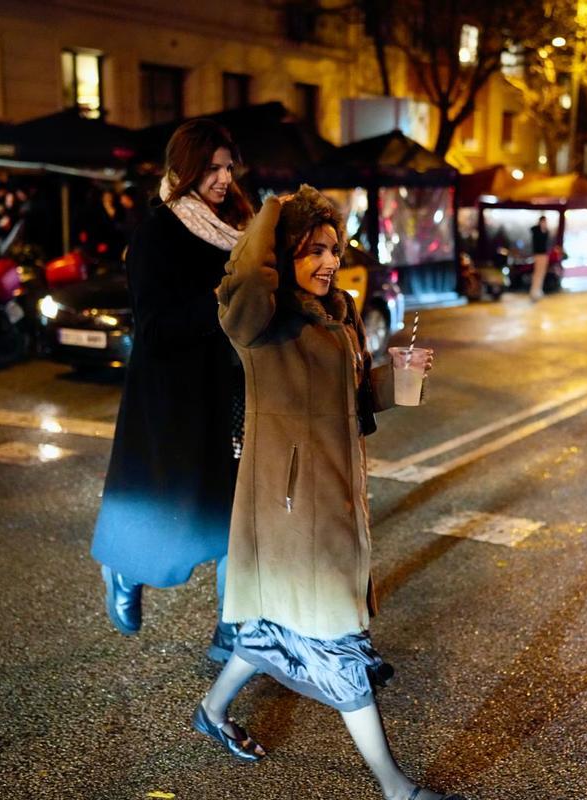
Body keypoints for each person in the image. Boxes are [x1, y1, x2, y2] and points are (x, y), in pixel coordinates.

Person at [202, 186, 460, 800]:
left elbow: (352, 402)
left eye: (333, 251)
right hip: (291, 514)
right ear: (281, 254)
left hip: (333, 501)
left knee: (270, 630)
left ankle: (210, 713)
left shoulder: (337, 315)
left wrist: (400, 377)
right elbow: (242, 283)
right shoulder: (260, 322)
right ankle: (396, 788)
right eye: (311, 251)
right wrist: (271, 211)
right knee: (336, 643)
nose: (326, 264)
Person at [90, 119, 253, 663]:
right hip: (172, 397)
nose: (223, 178)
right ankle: (125, 571)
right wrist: (223, 297)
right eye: (211, 167)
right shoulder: (158, 232)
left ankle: (231, 632)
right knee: (170, 513)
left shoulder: (241, 228)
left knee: (239, 513)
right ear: (184, 169)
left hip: (232, 390)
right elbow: (154, 328)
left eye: (228, 167)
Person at [529, 214, 550, 301]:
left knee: (542, 273)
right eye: (543, 221)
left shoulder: (546, 231)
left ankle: (539, 290)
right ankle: (534, 291)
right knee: (537, 273)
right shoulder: (536, 230)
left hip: (544, 254)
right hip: (538, 254)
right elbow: (533, 230)